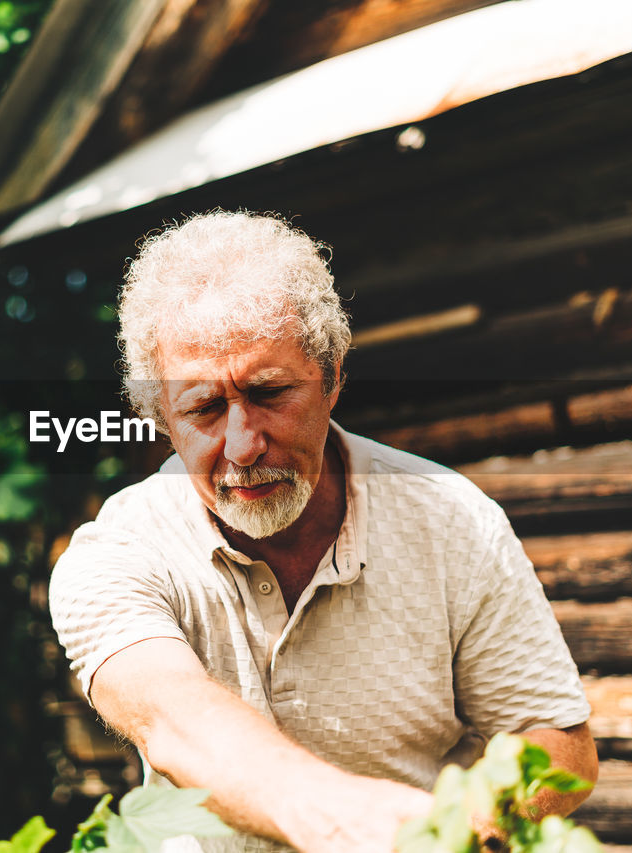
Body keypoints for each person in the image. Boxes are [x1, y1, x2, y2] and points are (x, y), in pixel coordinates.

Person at [48, 210, 597, 852]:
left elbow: (557, 745)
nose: (243, 445)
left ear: (333, 374)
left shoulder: (453, 521)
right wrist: (352, 824)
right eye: (201, 408)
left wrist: (453, 837)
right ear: (159, 415)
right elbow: (176, 721)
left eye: (271, 393)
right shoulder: (116, 552)